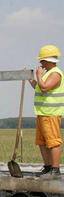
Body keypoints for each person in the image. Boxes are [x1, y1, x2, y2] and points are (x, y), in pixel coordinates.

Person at [29, 45, 63, 178]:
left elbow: (44, 88)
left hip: (51, 112)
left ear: (49, 60)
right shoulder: (49, 73)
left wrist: (38, 75)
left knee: (53, 140)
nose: (41, 63)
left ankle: (55, 170)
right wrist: (30, 78)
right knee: (42, 141)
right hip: (43, 112)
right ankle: (48, 167)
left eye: (42, 60)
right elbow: (38, 87)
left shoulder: (55, 73)